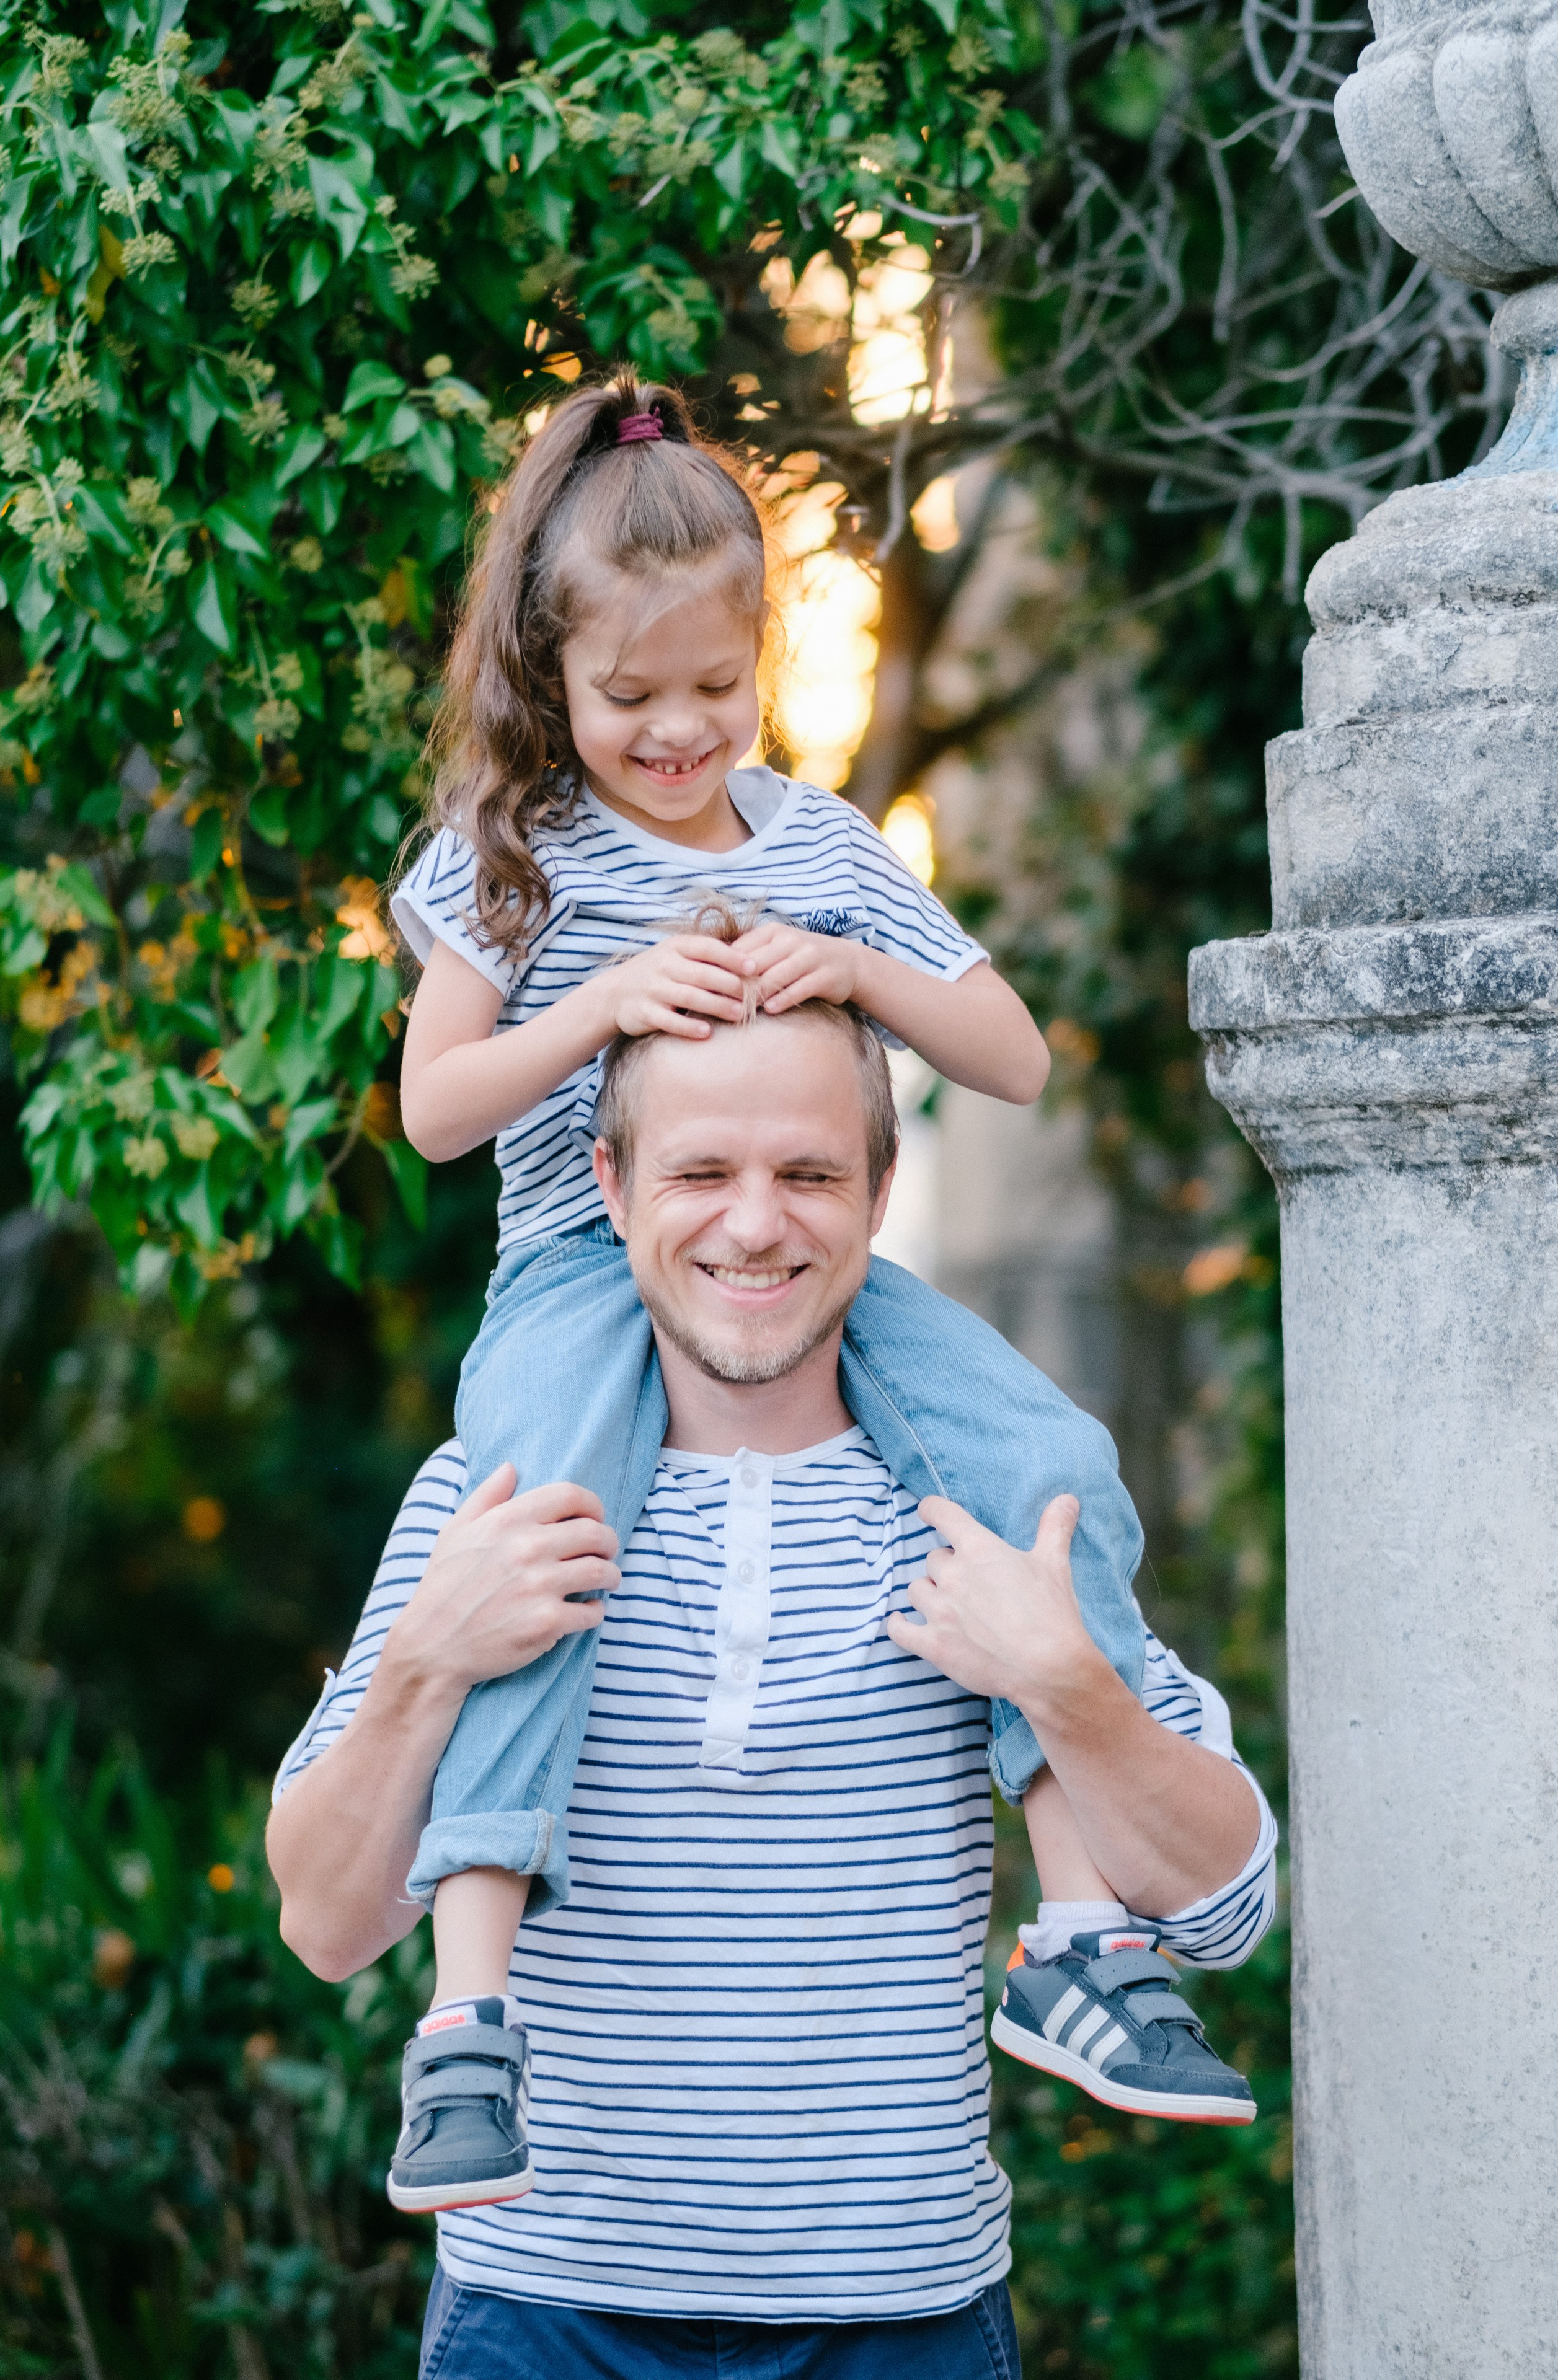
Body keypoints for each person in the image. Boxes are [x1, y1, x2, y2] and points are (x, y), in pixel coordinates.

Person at [378, 367, 1244, 2206]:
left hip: (813, 1278)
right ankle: (469, 2020)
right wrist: (597, 1006)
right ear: (553, 672)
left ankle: (1081, 1934)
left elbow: (1006, 1053)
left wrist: (845, 952)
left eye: (720, 686)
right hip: (578, 1278)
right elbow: (435, 1112)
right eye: (632, 698)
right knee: (542, 1538)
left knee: (1042, 1447)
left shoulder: (820, 843)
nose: (681, 732)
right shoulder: (511, 858)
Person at [266, 997, 1277, 2377]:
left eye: (806, 1173)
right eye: (699, 1173)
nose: (754, 1226)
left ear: (877, 1190)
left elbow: (1222, 1912)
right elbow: (326, 1924)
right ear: (612, 1189)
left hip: (901, 2322)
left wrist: (1065, 1687)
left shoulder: (976, 1503)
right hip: (539, 2318)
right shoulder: (489, 1497)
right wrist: (421, 1667)